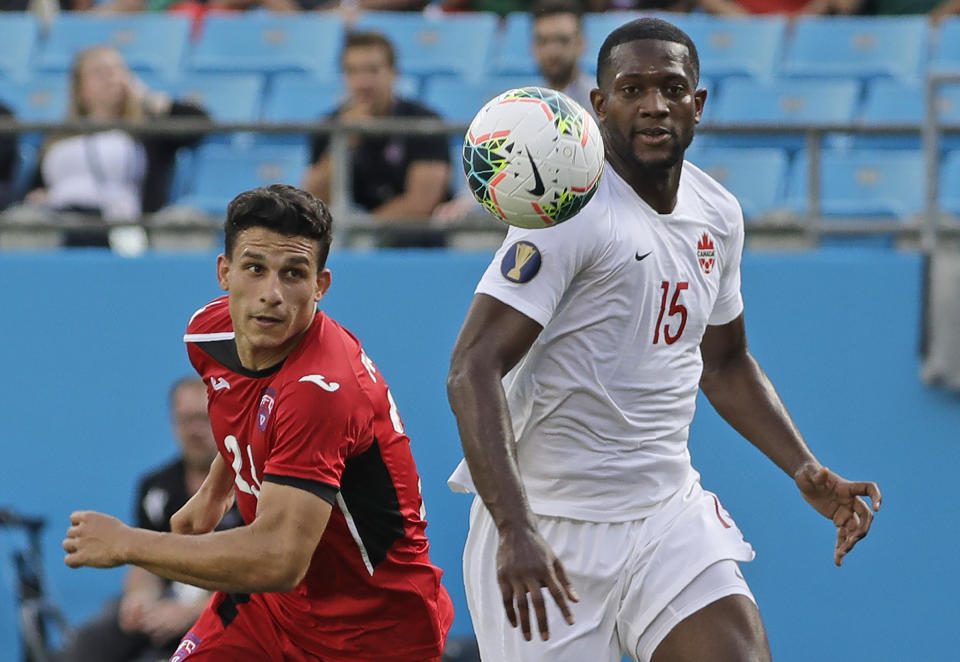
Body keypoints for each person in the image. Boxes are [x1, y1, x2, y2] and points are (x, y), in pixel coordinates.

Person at [445, 17, 882, 662]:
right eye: (632, 89)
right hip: (549, 525)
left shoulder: (719, 213)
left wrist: (804, 466)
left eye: (672, 88)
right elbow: (471, 368)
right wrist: (514, 528)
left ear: (697, 104)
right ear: (598, 105)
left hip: (665, 512)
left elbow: (725, 360)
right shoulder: (568, 213)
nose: (654, 105)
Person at [63, 184, 454, 662]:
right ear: (224, 272)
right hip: (270, 611)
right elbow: (246, 404)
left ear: (320, 286)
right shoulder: (210, 332)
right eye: (255, 268)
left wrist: (128, 543)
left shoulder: (321, 390)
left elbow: (277, 558)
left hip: (371, 631)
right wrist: (216, 487)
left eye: (294, 274)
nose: (271, 294)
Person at [57, 378, 243, 662]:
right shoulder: (156, 486)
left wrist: (192, 611)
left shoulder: (250, 488)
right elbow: (143, 559)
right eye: (185, 420)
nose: (195, 430)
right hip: (164, 603)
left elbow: (259, 573)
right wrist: (139, 597)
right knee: (89, 642)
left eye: (203, 419)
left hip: (228, 608)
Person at [25, 45, 208, 247]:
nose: (110, 77)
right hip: (62, 221)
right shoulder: (57, 136)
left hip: (126, 225)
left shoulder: (148, 130)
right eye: (98, 72)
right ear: (80, 88)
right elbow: (37, 185)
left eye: (118, 70)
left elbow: (200, 125)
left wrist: (148, 98)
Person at [433, 0, 594, 223]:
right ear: (532, 47)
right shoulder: (513, 104)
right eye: (543, 41)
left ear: (581, 44)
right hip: (518, 208)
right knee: (462, 226)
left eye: (562, 40)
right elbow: (486, 164)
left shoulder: (602, 104)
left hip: (583, 211)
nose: (552, 51)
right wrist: (466, 203)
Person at [301, 31, 451, 247]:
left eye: (372, 70)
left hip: (415, 237)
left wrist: (364, 231)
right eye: (353, 72)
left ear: (393, 73)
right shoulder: (331, 125)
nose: (363, 82)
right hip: (353, 233)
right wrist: (344, 142)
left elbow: (422, 204)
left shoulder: (424, 121)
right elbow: (312, 198)